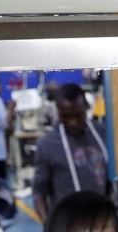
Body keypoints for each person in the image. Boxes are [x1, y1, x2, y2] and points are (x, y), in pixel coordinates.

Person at [32, 83, 109, 222]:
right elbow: (39, 193)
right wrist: (49, 229)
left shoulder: (102, 133)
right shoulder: (47, 145)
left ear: (86, 108)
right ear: (58, 112)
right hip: (67, 224)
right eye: (66, 116)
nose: (72, 122)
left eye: (78, 115)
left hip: (101, 219)